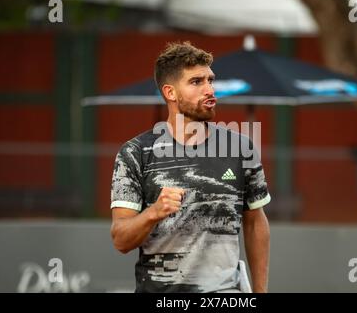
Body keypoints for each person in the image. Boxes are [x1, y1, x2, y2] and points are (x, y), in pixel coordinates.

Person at [110, 41, 271, 293]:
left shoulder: (241, 148)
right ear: (170, 93)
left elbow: (255, 223)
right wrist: (154, 212)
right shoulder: (134, 153)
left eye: (210, 80)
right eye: (197, 82)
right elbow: (120, 239)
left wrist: (261, 292)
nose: (209, 90)